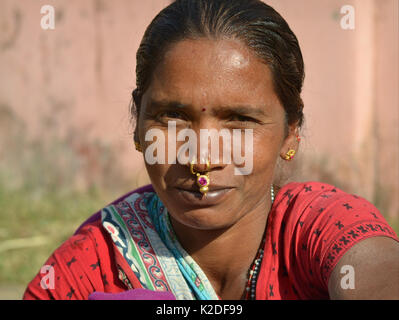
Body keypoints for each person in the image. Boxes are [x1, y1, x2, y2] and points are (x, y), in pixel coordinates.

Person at [23, 0, 399, 300]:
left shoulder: (317, 228)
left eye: (239, 120)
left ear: (290, 133)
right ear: (138, 123)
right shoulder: (95, 264)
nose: (202, 158)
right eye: (172, 117)